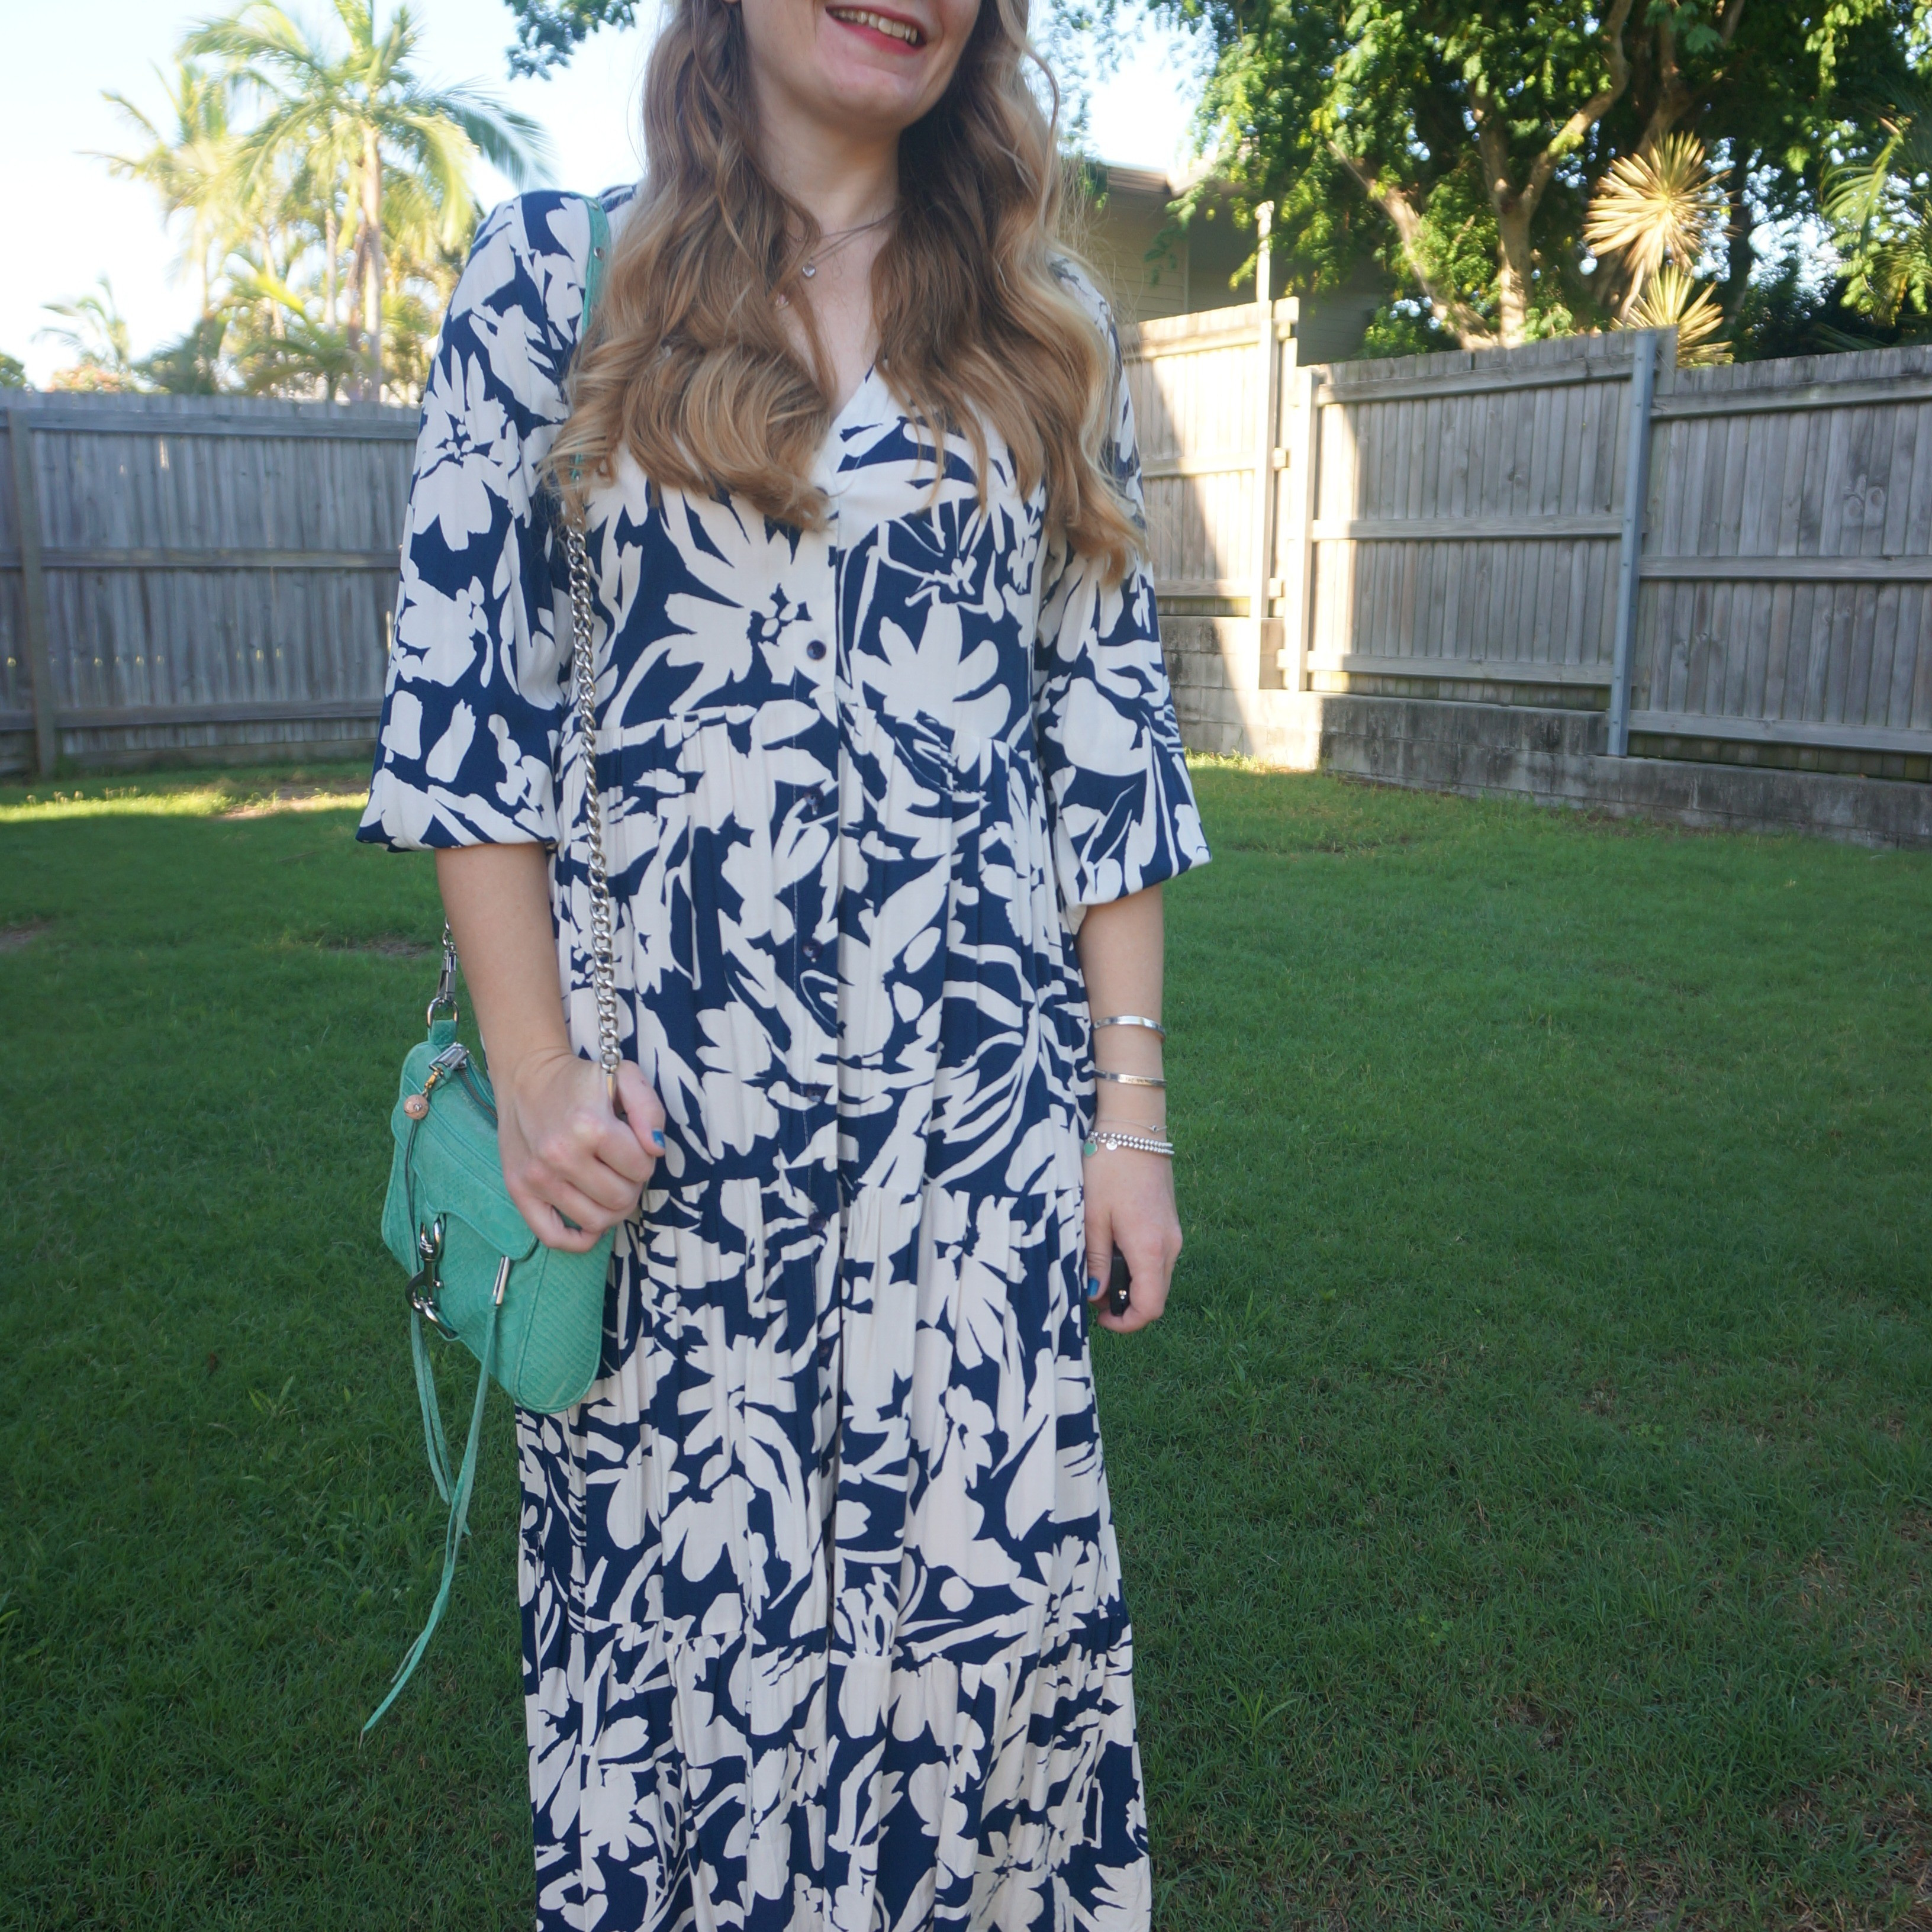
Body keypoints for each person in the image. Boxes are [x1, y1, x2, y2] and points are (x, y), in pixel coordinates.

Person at [359, 0, 1208, 1917]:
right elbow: (467, 710)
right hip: (671, 1186)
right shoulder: (551, 286)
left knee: (976, 1693)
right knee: (685, 1692)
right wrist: (535, 1073)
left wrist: (1130, 1118)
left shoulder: (1048, 326)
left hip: (972, 1172)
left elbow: (1108, 746)